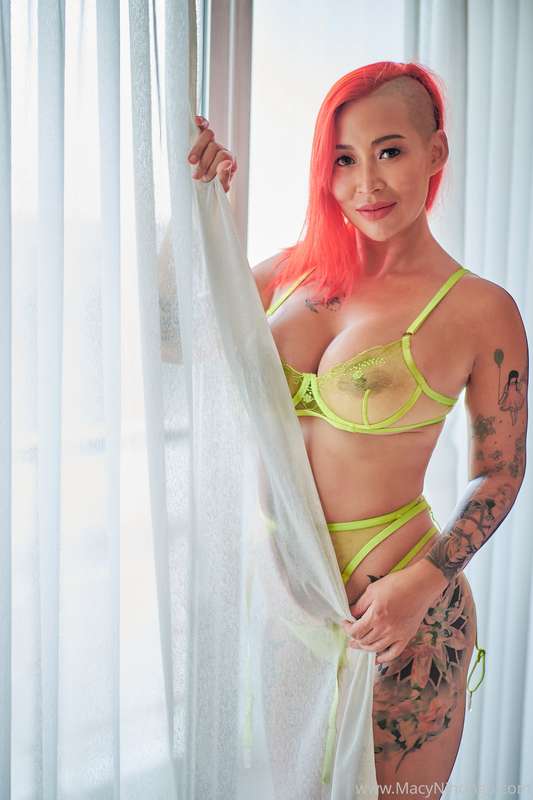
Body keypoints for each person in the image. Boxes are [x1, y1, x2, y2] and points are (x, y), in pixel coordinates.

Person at [187, 61, 528, 799]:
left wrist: (423, 582)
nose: (366, 183)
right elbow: (170, 332)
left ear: (435, 152)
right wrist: (199, 208)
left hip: (403, 616)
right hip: (290, 605)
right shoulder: (293, 272)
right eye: (343, 159)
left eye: (389, 151)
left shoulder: (478, 308)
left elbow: (499, 472)